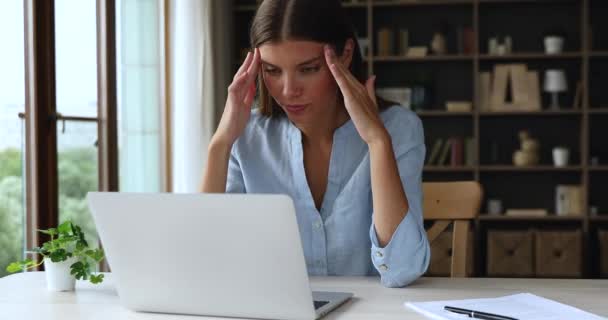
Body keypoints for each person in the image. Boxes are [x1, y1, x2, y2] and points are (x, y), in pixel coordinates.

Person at [201, 0, 429, 288]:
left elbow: (403, 269)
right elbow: (204, 264)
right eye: (272, 70)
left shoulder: (399, 129)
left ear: (345, 54)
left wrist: (377, 141)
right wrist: (219, 145)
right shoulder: (246, 136)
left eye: (307, 69)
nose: (288, 90)